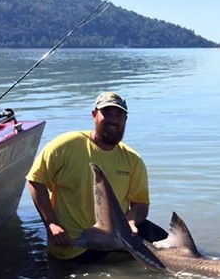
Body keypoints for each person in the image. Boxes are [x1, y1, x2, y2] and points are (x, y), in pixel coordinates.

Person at [27, 91, 167, 261]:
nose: (113, 119)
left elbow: (141, 204)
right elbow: (36, 180)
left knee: (167, 244)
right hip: (75, 244)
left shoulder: (133, 160)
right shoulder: (66, 145)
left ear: (125, 119)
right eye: (106, 113)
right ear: (94, 114)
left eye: (118, 114)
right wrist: (51, 223)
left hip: (117, 237)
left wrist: (130, 222)